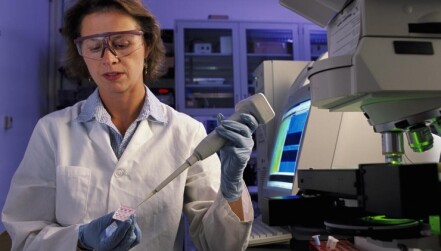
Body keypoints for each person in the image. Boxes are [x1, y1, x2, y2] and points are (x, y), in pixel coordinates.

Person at [1, 0, 258, 250]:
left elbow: (221, 245)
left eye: (122, 44)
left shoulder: (187, 133)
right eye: (94, 47)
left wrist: (232, 189)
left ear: (146, 45)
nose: (109, 59)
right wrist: (79, 240)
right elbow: (24, 237)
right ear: (81, 55)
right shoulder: (53, 131)